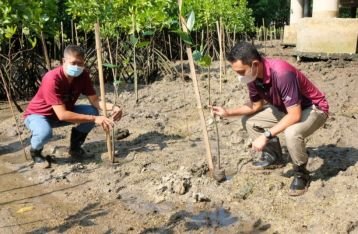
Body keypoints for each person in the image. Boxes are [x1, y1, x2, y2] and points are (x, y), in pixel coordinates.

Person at [212, 42, 329, 196]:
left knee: (291, 132)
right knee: (250, 121)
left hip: (313, 109)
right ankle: (273, 156)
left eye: (241, 71)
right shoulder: (253, 76)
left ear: (254, 64)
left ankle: (301, 173)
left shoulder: (282, 73)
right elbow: (256, 106)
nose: (239, 76)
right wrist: (228, 112)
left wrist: (266, 136)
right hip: (286, 108)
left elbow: (295, 115)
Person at [24, 45, 122, 166]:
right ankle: (36, 152)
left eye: (80, 63)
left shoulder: (83, 76)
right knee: (44, 133)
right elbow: (62, 115)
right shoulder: (52, 79)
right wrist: (95, 119)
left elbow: (95, 101)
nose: (76, 67)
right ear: (63, 61)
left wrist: (114, 107)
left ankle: (75, 148)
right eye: (73, 63)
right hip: (38, 115)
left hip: (63, 112)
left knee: (92, 111)